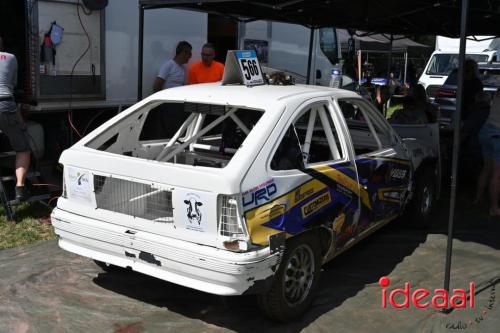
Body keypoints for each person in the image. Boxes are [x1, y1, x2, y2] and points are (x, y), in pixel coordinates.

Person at [0, 36, 30, 201]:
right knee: (22, 149)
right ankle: (19, 188)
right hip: (5, 104)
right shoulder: (11, 58)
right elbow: (13, 85)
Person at [475, 91, 500, 217]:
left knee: (486, 169)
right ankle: (494, 207)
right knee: (496, 174)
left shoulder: (497, 94)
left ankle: (477, 199)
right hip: (497, 135)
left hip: (486, 131)